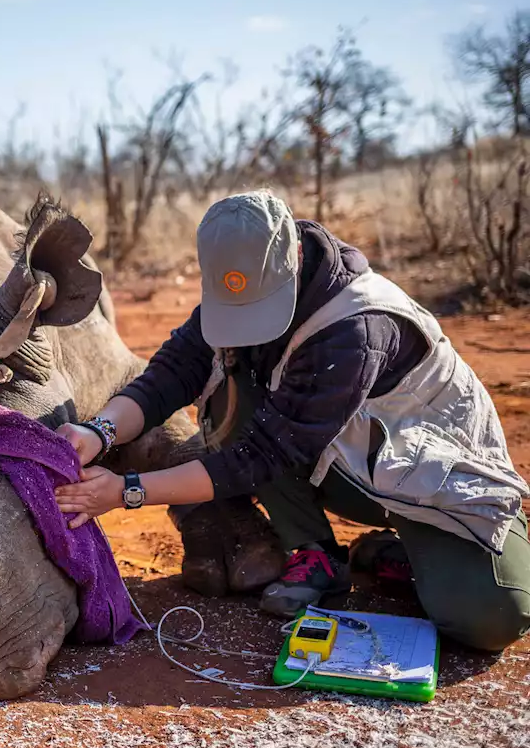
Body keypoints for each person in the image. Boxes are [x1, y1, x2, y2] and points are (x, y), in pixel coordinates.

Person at [54, 190, 530, 651]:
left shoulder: (355, 326)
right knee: (234, 395)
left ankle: (410, 553)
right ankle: (316, 551)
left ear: (295, 257)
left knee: (493, 618)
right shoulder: (239, 287)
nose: (246, 324)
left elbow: (262, 455)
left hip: (435, 482)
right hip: (350, 466)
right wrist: (100, 431)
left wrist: (126, 492)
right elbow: (171, 376)